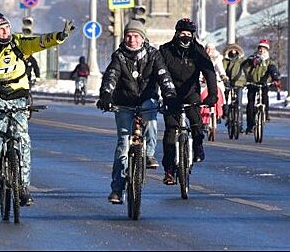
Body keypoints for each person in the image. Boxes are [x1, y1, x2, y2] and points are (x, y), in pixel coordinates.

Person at [0, 11, 74, 206]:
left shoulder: (18, 42)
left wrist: (59, 37)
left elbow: (40, 41)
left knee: (23, 140)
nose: (5, 32)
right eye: (0, 29)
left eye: (7, 28)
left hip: (20, 95)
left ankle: (23, 187)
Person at [97, 20, 177, 204]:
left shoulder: (153, 55)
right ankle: (117, 189)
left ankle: (149, 154)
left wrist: (170, 95)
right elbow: (111, 76)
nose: (132, 39)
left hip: (146, 99)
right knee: (123, 146)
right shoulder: (119, 56)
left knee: (150, 117)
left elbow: (163, 75)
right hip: (124, 103)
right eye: (129, 36)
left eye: (136, 36)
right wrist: (106, 95)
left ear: (143, 38)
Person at [159, 18, 217, 185]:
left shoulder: (198, 51)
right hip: (171, 94)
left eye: (189, 34)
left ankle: (198, 145)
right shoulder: (166, 50)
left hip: (191, 93)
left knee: (196, 121)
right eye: (182, 34)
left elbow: (209, 73)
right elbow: (156, 73)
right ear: (176, 34)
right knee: (171, 130)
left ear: (193, 35)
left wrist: (212, 95)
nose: (185, 37)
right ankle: (169, 170)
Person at [241, 39, 281, 133]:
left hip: (263, 84)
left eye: (264, 49)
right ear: (258, 49)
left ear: (267, 50)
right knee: (250, 104)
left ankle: (266, 114)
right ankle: (250, 125)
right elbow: (244, 66)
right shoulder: (252, 58)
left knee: (265, 97)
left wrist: (275, 79)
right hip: (252, 83)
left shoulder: (269, 61)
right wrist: (251, 62)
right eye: (260, 49)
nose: (262, 51)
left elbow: (273, 70)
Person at [222, 43, 246, 129]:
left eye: (235, 50)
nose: (233, 52)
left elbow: (246, 70)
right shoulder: (225, 60)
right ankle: (228, 117)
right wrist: (224, 79)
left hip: (239, 83)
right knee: (227, 102)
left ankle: (240, 125)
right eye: (231, 50)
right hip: (228, 83)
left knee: (239, 104)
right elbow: (223, 70)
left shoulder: (241, 60)